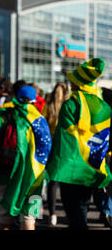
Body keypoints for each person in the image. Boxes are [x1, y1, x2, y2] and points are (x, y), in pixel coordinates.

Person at [46, 58, 111, 230]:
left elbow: (63, 141)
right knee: (81, 209)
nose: (70, 83)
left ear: (79, 83)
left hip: (72, 169)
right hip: (92, 167)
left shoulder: (70, 105)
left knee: (75, 215)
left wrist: (53, 166)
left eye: (73, 80)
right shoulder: (104, 107)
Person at [0, 85, 52, 230]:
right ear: (33, 100)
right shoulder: (39, 119)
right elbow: (47, 147)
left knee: (3, 214)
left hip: (6, 170)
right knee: (30, 216)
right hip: (34, 175)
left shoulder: (4, 114)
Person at [41, 81, 70, 226]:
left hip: (50, 148)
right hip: (65, 148)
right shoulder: (69, 107)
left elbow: (42, 127)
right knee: (66, 183)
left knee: (52, 183)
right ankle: (70, 213)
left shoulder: (48, 107)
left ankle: (52, 214)